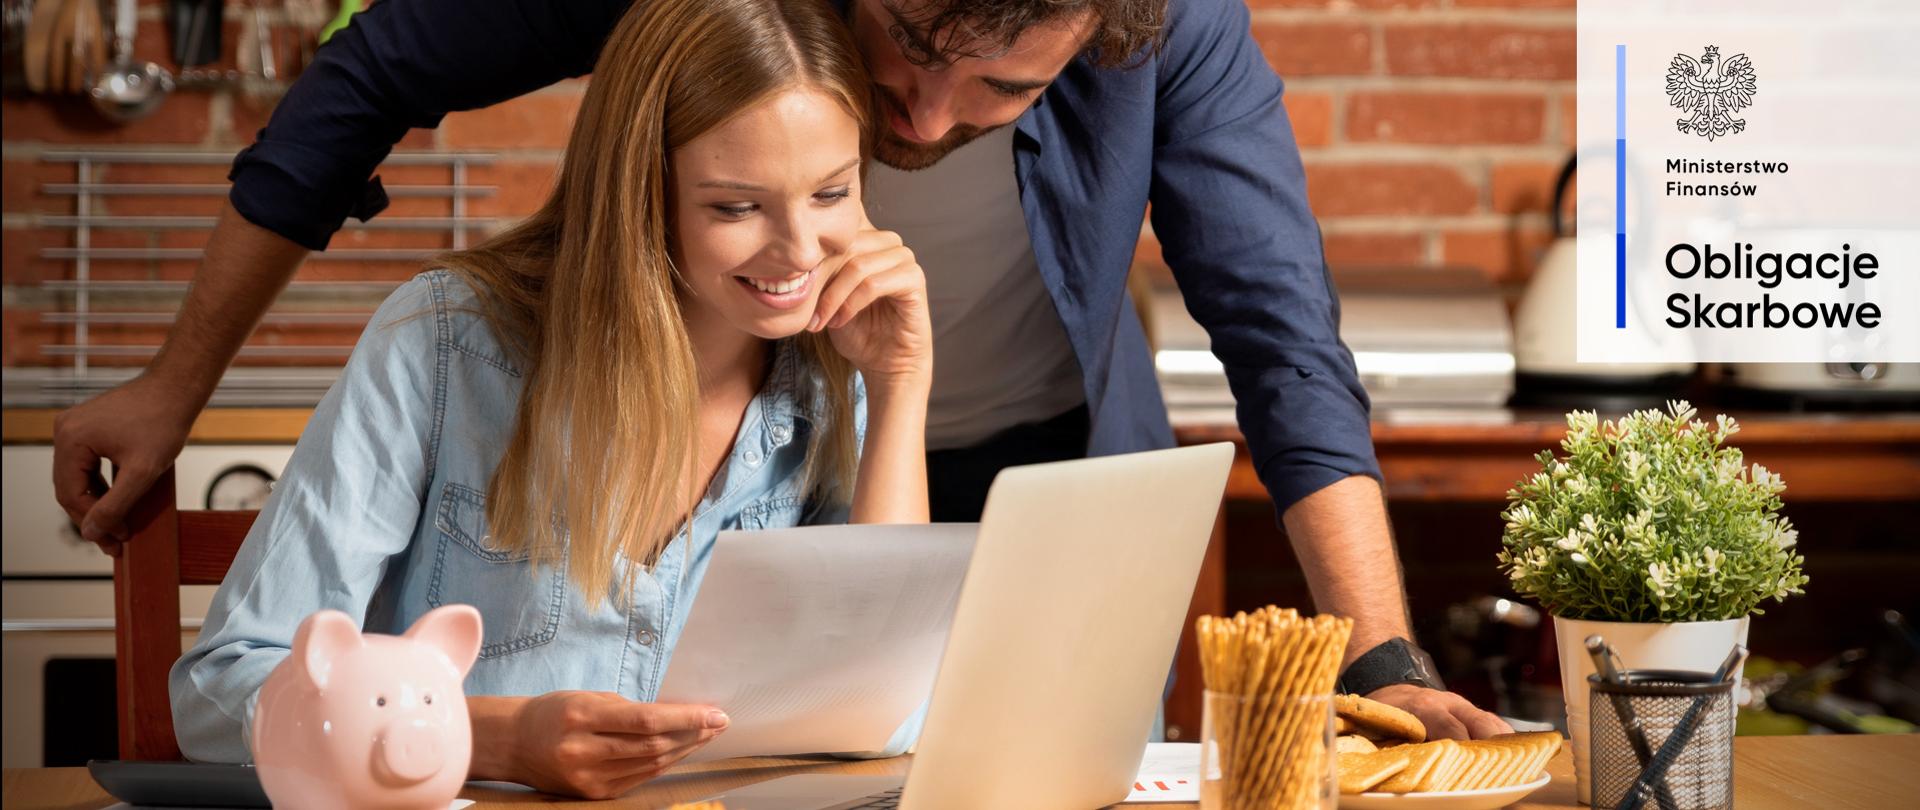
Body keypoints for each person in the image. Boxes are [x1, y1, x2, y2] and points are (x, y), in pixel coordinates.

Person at [59, 0, 1511, 739]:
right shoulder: (448, 350)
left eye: (1006, 88)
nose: (929, 116)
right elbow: (375, 70)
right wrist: (173, 384)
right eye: (907, 41)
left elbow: (1279, 332)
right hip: (765, 410)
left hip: (1008, 451)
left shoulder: (1167, 27)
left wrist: (1378, 651)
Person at [169, 0, 934, 797]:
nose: (802, 251)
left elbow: (882, 719)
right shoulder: (444, 346)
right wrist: (490, 739)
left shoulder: (830, 373)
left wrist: (899, 383)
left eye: (831, 193)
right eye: (735, 206)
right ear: (640, 192)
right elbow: (220, 693)